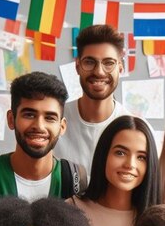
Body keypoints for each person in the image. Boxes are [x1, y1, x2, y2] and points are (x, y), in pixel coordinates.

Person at [0, 72, 83, 217]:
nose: (39, 126)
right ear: (11, 119)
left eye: (50, 118)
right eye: (29, 115)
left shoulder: (77, 183)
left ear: (62, 126)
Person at [55, 25, 138, 175]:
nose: (99, 71)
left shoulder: (136, 129)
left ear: (120, 67)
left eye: (108, 63)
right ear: (77, 66)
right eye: (89, 62)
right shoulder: (53, 121)